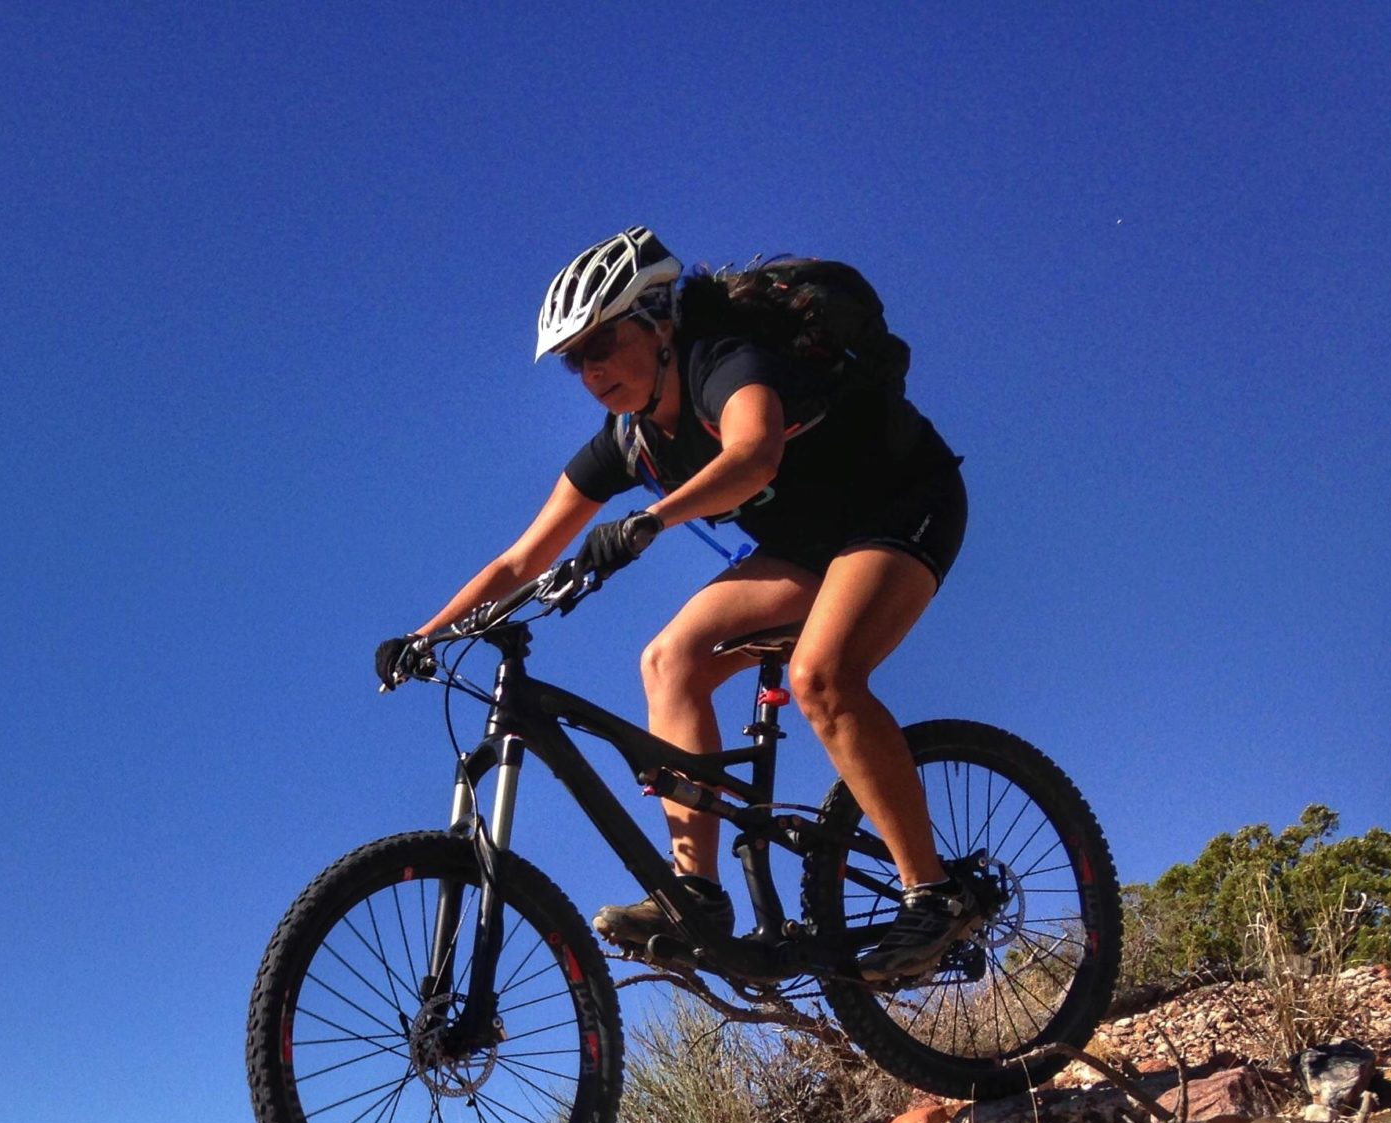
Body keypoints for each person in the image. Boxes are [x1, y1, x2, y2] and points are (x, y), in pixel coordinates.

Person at [411, 227, 977, 984]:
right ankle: (698, 896)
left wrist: (649, 520)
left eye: (604, 342)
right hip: (806, 551)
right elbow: (522, 558)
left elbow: (754, 454)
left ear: (659, 322)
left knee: (820, 676)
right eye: (576, 359)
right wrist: (425, 636)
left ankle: (934, 894)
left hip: (902, 502)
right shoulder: (629, 441)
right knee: (669, 659)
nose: (592, 370)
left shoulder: (724, 362)